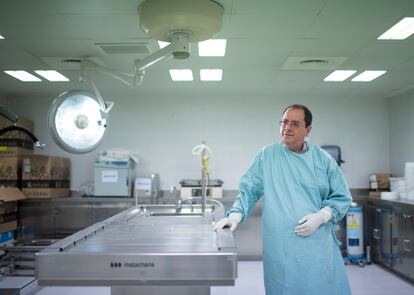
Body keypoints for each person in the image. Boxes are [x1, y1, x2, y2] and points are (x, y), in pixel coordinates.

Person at [214, 104, 352, 295]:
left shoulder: (323, 160)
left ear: (308, 129)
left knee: (320, 288)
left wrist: (322, 215)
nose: (287, 128)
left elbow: (342, 196)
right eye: (284, 122)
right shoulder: (267, 156)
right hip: (280, 245)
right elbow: (249, 191)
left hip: (316, 245)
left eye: (295, 124)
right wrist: (235, 215)